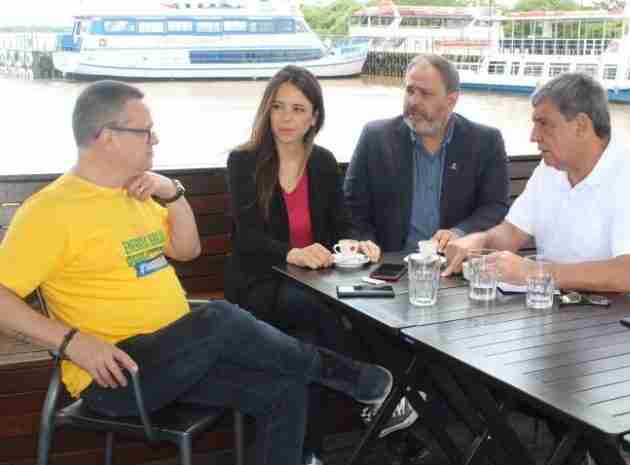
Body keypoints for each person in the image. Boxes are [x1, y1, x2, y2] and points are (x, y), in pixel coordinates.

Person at [0, 80, 393, 465]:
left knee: (285, 389)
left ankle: (336, 376)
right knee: (217, 317)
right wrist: (72, 342)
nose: (154, 140)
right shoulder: (50, 211)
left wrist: (172, 193)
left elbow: (187, 250)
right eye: (145, 132)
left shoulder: (132, 194)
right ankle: (340, 372)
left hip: (180, 356)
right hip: (117, 372)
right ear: (107, 137)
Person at [225, 65, 387, 463]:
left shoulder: (323, 161)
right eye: (278, 107)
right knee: (314, 313)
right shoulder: (244, 161)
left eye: (298, 109)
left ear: (314, 116)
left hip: (311, 284)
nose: (285, 118)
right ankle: (376, 390)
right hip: (260, 281)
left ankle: (310, 453)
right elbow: (246, 237)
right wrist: (290, 252)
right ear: (266, 110)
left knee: (311, 336)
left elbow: (340, 222)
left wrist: (353, 240)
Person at [443, 72, 630, 305]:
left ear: (581, 125)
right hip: (562, 310)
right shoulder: (549, 170)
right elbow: (511, 233)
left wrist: (534, 272)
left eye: (544, 124)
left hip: (626, 325)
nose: (533, 136)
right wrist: (480, 242)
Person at [344, 53, 510, 254]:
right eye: (410, 91)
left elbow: (494, 207)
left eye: (425, 94)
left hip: (453, 264)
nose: (413, 101)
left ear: (451, 100)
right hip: (388, 263)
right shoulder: (376, 137)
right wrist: (364, 242)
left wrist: (460, 232)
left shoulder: (485, 141)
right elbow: (353, 206)